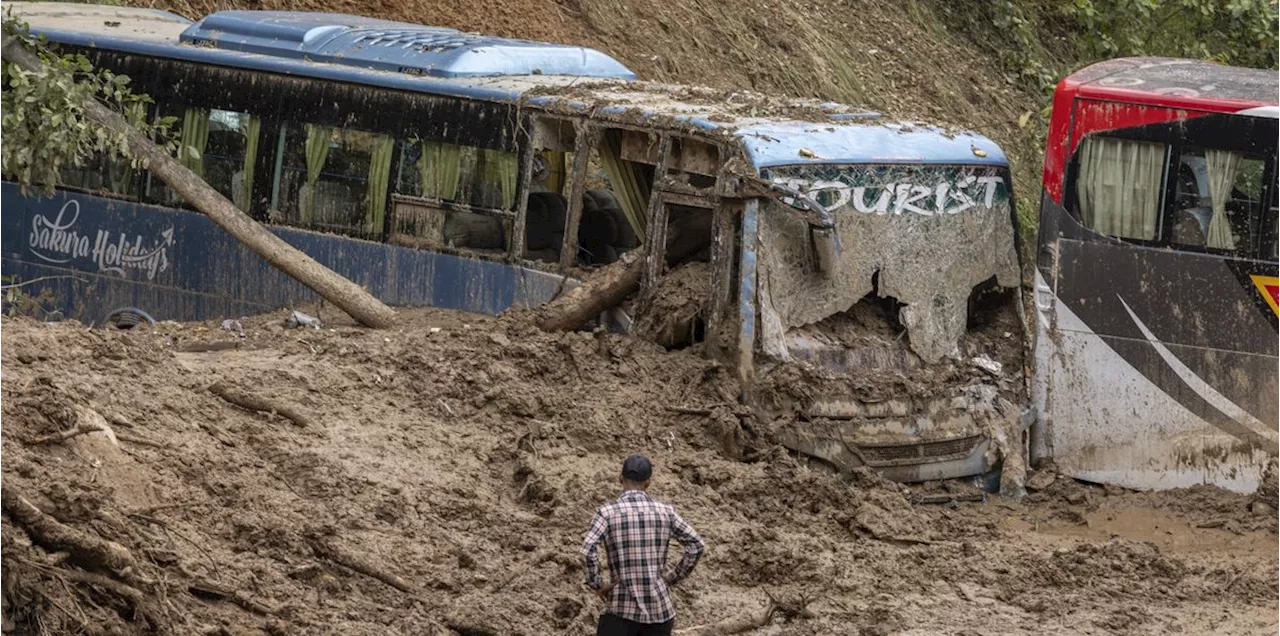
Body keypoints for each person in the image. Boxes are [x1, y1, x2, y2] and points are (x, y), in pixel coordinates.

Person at [580, 454, 706, 636]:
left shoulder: (606, 513)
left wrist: (597, 584)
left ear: (620, 479)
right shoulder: (666, 512)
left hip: (620, 611)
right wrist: (672, 578)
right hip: (660, 613)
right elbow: (697, 545)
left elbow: (587, 551)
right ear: (648, 483)